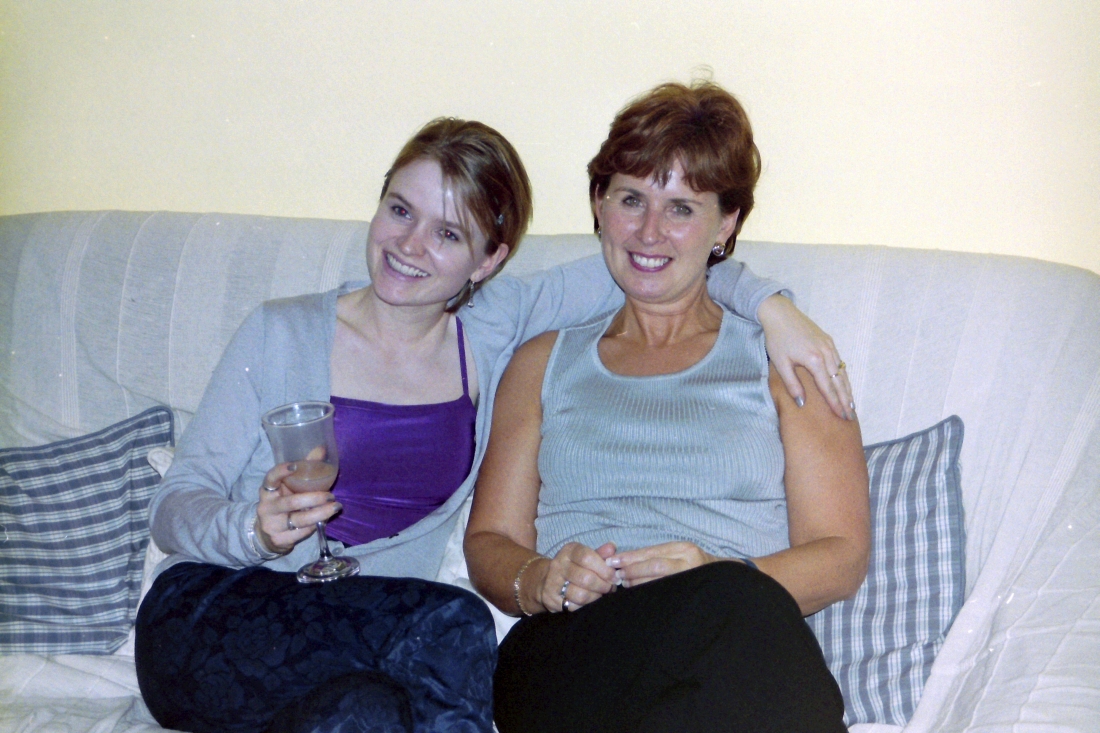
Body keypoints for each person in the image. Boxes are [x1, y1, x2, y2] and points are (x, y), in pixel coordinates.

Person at [135, 116, 850, 733]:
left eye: (448, 232)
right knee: (456, 625)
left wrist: (771, 305)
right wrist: (253, 530)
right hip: (220, 611)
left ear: (489, 260)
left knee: (367, 714)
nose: (411, 244)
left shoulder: (494, 329)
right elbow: (174, 505)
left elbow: (664, 264)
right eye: (399, 210)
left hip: (364, 649)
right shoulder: (281, 331)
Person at [465, 81, 871, 733]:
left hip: (735, 634)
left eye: (681, 207)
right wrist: (540, 577)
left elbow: (842, 554)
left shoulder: (784, 361)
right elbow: (490, 542)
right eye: (631, 199)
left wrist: (720, 572)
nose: (649, 231)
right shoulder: (542, 362)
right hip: (574, 647)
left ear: (726, 224)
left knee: (732, 610)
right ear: (599, 205)